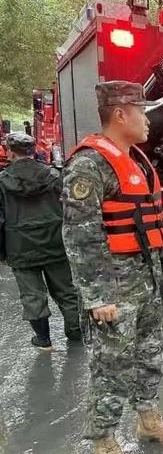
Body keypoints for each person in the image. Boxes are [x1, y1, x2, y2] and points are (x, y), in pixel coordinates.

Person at [62, 81, 163, 454]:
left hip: (145, 284)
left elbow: (147, 220)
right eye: (142, 111)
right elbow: (81, 237)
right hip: (114, 289)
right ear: (120, 114)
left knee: (149, 356)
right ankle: (104, 445)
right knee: (111, 368)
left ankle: (148, 420)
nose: (147, 119)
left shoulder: (137, 161)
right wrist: (98, 296)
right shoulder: (89, 165)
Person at [0, 132, 80, 349]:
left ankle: (43, 339)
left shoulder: (3, 181)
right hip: (55, 242)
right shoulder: (53, 176)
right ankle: (75, 333)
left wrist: (3, 253)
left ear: (10, 152)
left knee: (31, 295)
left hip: (20, 247)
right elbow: (70, 208)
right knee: (66, 290)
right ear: (33, 150)